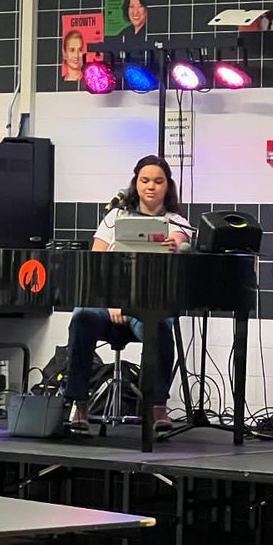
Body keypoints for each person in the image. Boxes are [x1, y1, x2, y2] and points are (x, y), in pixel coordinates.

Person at [66, 155, 192, 434]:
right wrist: (110, 301)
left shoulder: (178, 223)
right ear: (135, 183)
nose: (151, 187)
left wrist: (179, 245)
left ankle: (158, 405)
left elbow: (184, 250)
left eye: (158, 181)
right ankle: (79, 402)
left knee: (161, 324)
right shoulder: (114, 217)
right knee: (82, 318)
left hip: (147, 306)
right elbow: (94, 265)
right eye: (145, 180)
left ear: (167, 186)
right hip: (107, 305)